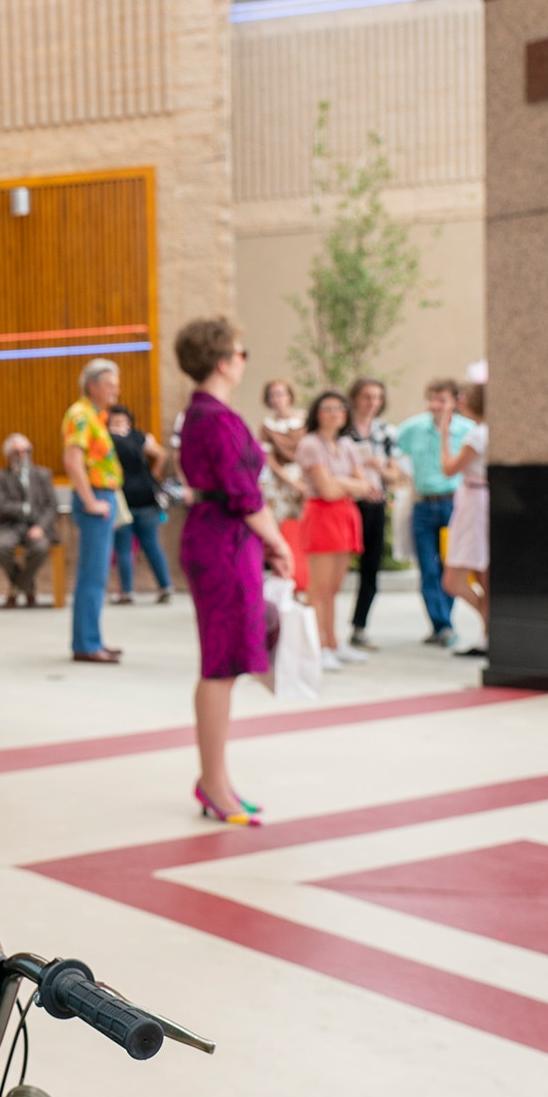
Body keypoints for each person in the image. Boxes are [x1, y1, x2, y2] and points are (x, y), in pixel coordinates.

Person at [174, 319, 294, 827]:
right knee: (219, 667)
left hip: (224, 538)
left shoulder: (203, 415)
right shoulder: (215, 418)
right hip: (224, 540)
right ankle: (214, 784)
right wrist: (278, 540)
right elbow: (245, 495)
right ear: (224, 361)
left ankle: (216, 780)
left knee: (223, 665)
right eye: (241, 352)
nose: (245, 360)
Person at [295, 390, 375, 673]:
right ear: (317, 412)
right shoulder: (310, 445)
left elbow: (365, 485)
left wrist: (341, 482)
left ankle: (332, 641)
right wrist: (347, 483)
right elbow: (326, 491)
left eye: (340, 408)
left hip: (344, 516)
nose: (335, 413)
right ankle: (317, 646)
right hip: (321, 515)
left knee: (334, 588)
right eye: (328, 408)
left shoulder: (347, 445)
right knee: (319, 588)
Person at [394, 378, 476, 647]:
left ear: (455, 401)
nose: (435, 405)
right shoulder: (412, 428)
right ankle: (442, 625)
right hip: (423, 504)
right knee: (428, 567)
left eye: (441, 399)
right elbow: (393, 452)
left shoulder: (468, 430)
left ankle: (444, 623)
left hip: (454, 504)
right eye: (431, 399)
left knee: (449, 567)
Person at [62, 358, 125, 663]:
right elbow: (73, 461)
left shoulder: (96, 415)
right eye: (110, 384)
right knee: (92, 575)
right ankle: (86, 644)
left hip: (103, 498)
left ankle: (92, 639)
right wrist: (90, 502)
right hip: (95, 499)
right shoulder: (81, 415)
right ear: (92, 385)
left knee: (98, 574)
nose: (116, 390)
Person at [346, 377, 399, 649]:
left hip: (374, 504)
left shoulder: (386, 432)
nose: (372, 403)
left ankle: (359, 627)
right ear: (355, 397)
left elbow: (395, 474)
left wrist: (378, 467)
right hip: (346, 503)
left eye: (377, 397)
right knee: (335, 568)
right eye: (367, 396)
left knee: (371, 568)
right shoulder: (343, 430)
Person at [440, 381, 490, 657]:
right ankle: (487, 632)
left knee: (455, 579)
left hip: (474, 503)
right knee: (483, 574)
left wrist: (444, 436)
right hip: (476, 499)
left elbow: (448, 468)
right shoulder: (485, 432)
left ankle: (489, 623)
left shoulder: (476, 435)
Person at [107, 404, 172, 604]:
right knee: (152, 544)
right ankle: (165, 586)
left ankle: (126, 592)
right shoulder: (140, 437)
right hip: (147, 497)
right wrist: (154, 474)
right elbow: (162, 454)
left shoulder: (107, 440)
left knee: (124, 547)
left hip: (124, 499)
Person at [0, 432, 57, 608]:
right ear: (8, 455)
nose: (22, 456)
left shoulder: (43, 474)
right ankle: (28, 587)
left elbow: (52, 506)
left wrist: (41, 527)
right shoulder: (0, 477)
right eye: (17, 452)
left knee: (41, 548)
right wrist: (23, 509)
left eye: (26, 451)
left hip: (37, 525)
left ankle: (15, 588)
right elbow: (0, 505)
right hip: (10, 525)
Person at [260, 378, 306, 520]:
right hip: (281, 477)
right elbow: (269, 459)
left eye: (279, 394)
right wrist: (292, 482)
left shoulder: (304, 420)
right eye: (272, 395)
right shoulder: (267, 426)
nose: (276, 399)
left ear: (289, 396)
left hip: (305, 474)